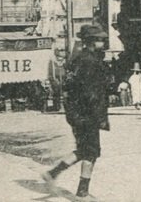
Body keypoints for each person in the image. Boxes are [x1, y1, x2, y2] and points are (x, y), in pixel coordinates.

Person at [43, 23, 111, 199]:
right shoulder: (91, 62)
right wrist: (100, 117)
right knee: (91, 151)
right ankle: (82, 191)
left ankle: (53, 174)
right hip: (88, 115)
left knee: (84, 150)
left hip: (76, 114)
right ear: (90, 42)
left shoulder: (77, 59)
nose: (103, 43)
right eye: (99, 40)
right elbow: (91, 93)